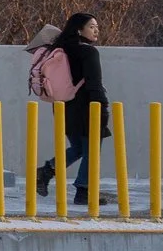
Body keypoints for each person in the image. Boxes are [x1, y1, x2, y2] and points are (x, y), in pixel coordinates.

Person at [35, 11, 109, 208]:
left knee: (78, 148)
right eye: (91, 26)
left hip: (62, 105)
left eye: (97, 27)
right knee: (91, 150)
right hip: (86, 107)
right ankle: (84, 191)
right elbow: (94, 83)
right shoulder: (88, 52)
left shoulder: (59, 49)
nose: (96, 30)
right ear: (79, 30)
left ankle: (46, 172)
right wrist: (103, 108)